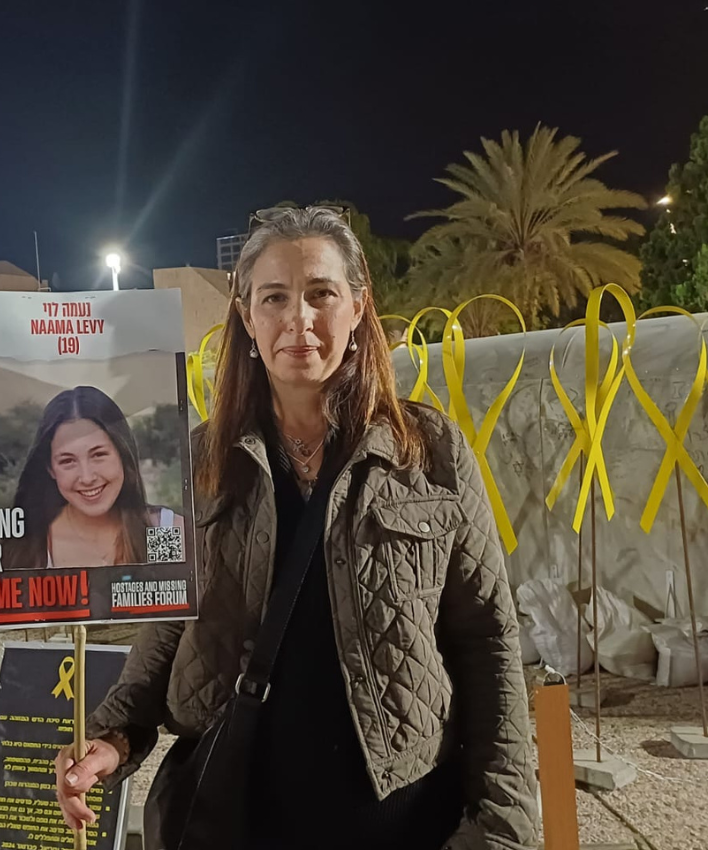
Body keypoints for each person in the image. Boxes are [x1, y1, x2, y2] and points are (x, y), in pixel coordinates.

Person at [55, 207, 538, 848]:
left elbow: (489, 641)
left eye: (321, 294)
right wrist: (113, 737)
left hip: (402, 818)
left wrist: (505, 825)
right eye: (275, 297)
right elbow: (168, 622)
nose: (299, 320)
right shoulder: (196, 464)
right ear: (247, 317)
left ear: (359, 308)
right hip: (242, 816)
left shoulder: (431, 452)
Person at [5, 385, 183, 570]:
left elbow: (174, 593)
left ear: (122, 454)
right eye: (68, 461)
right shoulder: (29, 548)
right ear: (50, 469)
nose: (87, 477)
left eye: (98, 455)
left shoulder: (162, 530)